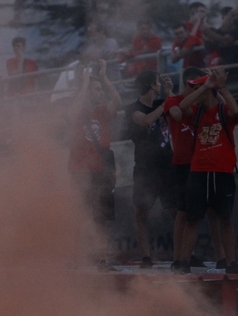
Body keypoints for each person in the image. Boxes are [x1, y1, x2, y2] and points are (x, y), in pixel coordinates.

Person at [176, 68, 238, 275]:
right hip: (198, 172)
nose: (195, 91)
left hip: (222, 172)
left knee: (225, 218)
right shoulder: (196, 114)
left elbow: (236, 112)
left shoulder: (223, 112)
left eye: (199, 88)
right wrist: (205, 86)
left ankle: (231, 263)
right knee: (193, 219)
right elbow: (182, 106)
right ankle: (184, 263)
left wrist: (220, 87)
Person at [166, 68, 224, 271]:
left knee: (214, 211)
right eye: (195, 85)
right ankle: (179, 258)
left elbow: (225, 110)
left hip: (204, 162)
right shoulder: (174, 101)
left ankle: (222, 257)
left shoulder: (204, 102)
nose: (200, 89)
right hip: (183, 163)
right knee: (183, 212)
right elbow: (178, 112)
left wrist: (217, 86)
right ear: (188, 84)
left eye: (201, 85)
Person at [124, 70, 174, 267]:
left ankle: (186, 255)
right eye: (158, 84)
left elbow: (176, 114)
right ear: (152, 86)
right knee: (141, 212)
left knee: (177, 212)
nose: (160, 86)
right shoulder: (132, 108)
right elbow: (145, 121)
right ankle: (146, 257)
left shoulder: (160, 103)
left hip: (167, 165)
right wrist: (166, 102)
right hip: (146, 168)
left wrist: (170, 95)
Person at [67, 60, 121, 235]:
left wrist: (104, 79)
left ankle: (101, 257)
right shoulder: (77, 112)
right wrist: (84, 85)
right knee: (79, 214)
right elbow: (72, 114)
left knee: (101, 216)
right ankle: (77, 258)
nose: (101, 93)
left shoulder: (102, 111)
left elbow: (117, 101)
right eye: (97, 89)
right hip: (80, 170)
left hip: (100, 170)